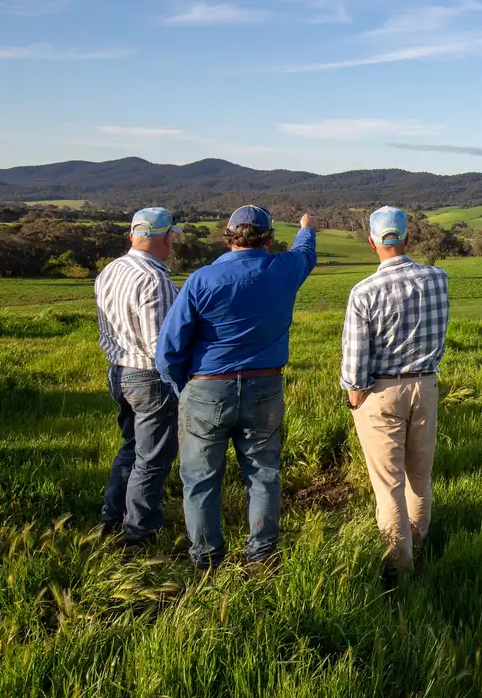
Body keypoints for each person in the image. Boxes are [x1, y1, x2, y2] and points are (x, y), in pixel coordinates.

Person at [156, 205, 322, 568]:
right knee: (263, 474)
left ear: (229, 237)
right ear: (268, 238)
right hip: (265, 385)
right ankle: (262, 556)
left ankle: (207, 561)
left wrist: (185, 385)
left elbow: (168, 349)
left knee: (201, 481)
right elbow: (305, 254)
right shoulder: (284, 270)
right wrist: (306, 227)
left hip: (206, 387)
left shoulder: (201, 280)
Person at [341, 206, 449, 574]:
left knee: (389, 486)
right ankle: (420, 543)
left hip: (381, 392)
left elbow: (355, 360)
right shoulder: (439, 278)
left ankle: (400, 570)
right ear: (407, 237)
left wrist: (355, 395)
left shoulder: (363, 292)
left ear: (372, 242)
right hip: (427, 384)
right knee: (420, 477)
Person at [95, 206, 181, 545]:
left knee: (130, 449)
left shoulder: (111, 270)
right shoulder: (154, 279)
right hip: (149, 378)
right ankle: (139, 531)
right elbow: (160, 346)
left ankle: (111, 517)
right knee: (152, 458)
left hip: (118, 371)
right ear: (166, 239)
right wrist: (181, 381)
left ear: (133, 235)